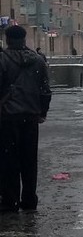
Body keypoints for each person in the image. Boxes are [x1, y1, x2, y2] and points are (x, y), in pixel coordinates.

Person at [0, 25, 52, 212]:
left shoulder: (2, 59)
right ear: (24, 39)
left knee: (8, 161)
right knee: (29, 160)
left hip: (7, 118)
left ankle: (10, 200)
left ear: (7, 39)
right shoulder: (37, 61)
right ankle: (29, 200)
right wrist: (42, 113)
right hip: (30, 118)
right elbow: (45, 90)